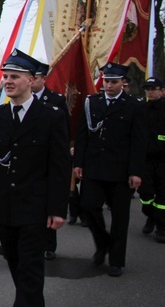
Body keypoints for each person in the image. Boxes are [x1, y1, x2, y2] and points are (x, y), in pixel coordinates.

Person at [0, 49, 69, 307]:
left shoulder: (51, 116)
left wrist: (57, 209)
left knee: (30, 267)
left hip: (35, 207)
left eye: (15, 76)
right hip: (5, 207)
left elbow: (59, 167)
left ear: (31, 80)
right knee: (16, 264)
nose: (8, 81)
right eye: (5, 76)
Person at [74, 62, 147, 277]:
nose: (109, 86)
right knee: (87, 207)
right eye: (106, 81)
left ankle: (116, 260)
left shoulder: (134, 105)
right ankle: (103, 243)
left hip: (120, 171)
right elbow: (82, 136)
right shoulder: (92, 103)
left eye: (114, 82)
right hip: (94, 167)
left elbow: (138, 141)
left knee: (120, 217)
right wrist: (78, 163)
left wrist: (135, 171)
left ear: (123, 83)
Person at [31, 62, 70, 261]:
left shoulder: (56, 100)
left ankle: (49, 244)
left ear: (43, 79)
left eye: (36, 77)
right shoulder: (20, 99)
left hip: (48, 157)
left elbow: (63, 129)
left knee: (48, 203)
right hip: (30, 159)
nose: (32, 81)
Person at [139, 77, 165, 243]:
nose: (150, 91)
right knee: (145, 193)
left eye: (153, 88)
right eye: (147, 88)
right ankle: (150, 215)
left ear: (162, 91)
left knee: (163, 195)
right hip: (145, 159)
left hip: (163, 159)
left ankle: (161, 227)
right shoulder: (142, 108)